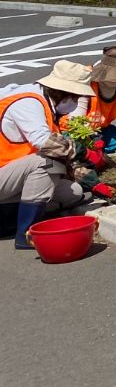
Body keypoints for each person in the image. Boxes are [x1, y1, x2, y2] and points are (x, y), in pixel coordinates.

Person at [0, 60, 110, 248]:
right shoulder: (28, 102)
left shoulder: (46, 103)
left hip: (9, 176)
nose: (75, 103)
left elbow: (57, 155)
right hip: (6, 175)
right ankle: (27, 234)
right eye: (74, 97)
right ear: (62, 92)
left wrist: (89, 180)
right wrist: (84, 153)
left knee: (74, 192)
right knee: (46, 163)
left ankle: (7, 221)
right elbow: (45, 143)